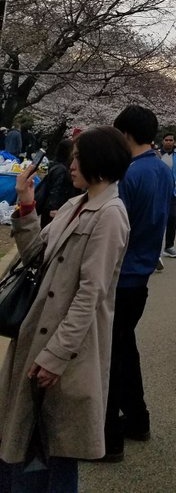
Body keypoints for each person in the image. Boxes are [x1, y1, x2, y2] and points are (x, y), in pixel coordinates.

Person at [0, 127, 130, 492]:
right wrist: (26, 205)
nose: (71, 164)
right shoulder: (77, 204)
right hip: (36, 337)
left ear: (99, 162)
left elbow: (92, 293)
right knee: (22, 443)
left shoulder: (110, 215)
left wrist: (56, 356)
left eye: (78, 157)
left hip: (63, 352)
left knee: (49, 450)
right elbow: (33, 259)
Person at [102, 105, 174, 461]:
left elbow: (115, 231)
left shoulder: (127, 174)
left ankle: (109, 437)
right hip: (142, 273)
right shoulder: (161, 170)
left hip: (121, 275)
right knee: (124, 349)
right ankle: (137, 419)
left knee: (110, 356)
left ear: (126, 134)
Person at [34, 138, 82, 227]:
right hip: (53, 212)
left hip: (48, 210)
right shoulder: (62, 170)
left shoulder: (55, 165)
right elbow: (56, 190)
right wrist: (53, 209)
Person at [160, 132, 176, 258]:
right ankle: (155, 246)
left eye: (171, 140)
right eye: (166, 140)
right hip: (159, 192)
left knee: (172, 218)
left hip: (173, 192)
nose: (169, 142)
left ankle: (169, 246)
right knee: (158, 219)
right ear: (163, 141)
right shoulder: (157, 155)